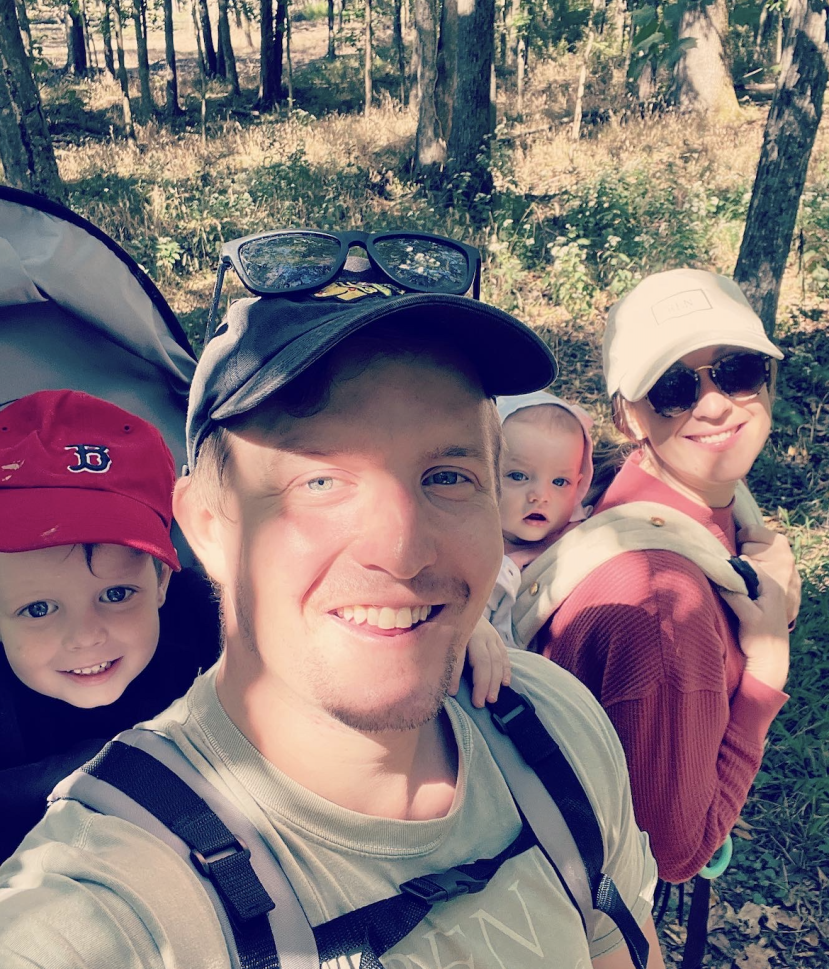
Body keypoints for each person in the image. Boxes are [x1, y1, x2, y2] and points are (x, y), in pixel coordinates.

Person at [0, 239, 663, 969]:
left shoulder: (555, 729)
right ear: (206, 527)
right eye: (317, 482)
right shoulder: (103, 903)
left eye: (446, 476)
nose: (403, 552)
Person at [530, 268, 798, 884]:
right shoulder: (659, 608)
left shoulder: (689, 505)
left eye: (737, 371)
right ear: (629, 419)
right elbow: (673, 858)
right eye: (674, 388)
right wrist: (765, 671)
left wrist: (773, 597)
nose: (714, 403)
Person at [0, 389, 221, 859]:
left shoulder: (210, 620)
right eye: (38, 609)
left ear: (161, 578)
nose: (85, 636)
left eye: (116, 594)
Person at [486, 390, 594, 647]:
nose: (540, 496)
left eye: (560, 482)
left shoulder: (579, 540)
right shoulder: (471, 550)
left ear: (579, 488)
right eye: (518, 476)